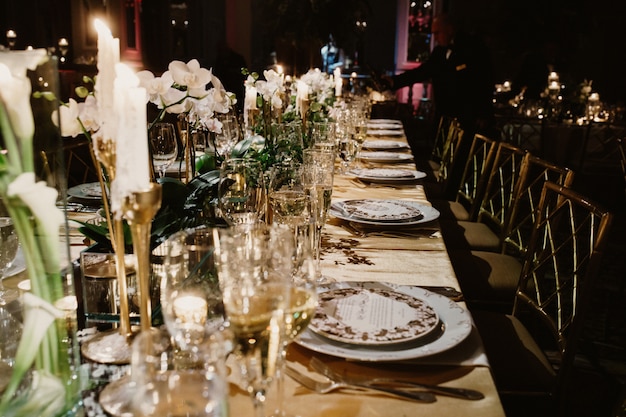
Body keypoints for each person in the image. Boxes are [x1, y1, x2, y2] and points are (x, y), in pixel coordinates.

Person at [384, 13, 495, 198]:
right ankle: (446, 192)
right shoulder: (440, 52)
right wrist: (393, 81)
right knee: (445, 160)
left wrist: (484, 114)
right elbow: (421, 72)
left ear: (450, 29)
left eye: (438, 33)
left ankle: (460, 198)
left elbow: (485, 83)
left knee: (465, 164)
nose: (435, 37)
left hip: (469, 118)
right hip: (445, 117)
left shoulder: (473, 48)